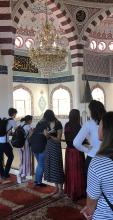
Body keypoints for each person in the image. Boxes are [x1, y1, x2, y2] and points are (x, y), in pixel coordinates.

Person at [81, 112, 113, 220]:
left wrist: (89, 211)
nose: (98, 127)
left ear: (106, 131)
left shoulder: (98, 163)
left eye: (100, 124)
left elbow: (92, 199)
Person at [73, 100, 106, 179]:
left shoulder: (89, 124)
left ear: (92, 112)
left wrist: (88, 150)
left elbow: (76, 143)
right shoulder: (109, 122)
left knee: (92, 187)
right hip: (108, 157)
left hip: (93, 157)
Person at [64, 109, 86, 201]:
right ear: (77, 116)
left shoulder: (67, 125)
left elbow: (67, 138)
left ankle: (70, 191)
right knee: (77, 171)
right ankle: (78, 192)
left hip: (69, 151)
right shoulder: (78, 126)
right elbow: (80, 140)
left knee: (70, 171)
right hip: (76, 151)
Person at [44, 109, 64, 198]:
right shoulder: (47, 124)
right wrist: (46, 135)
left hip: (56, 148)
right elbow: (46, 136)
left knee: (57, 167)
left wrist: (50, 135)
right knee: (51, 167)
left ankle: (61, 190)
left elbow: (59, 139)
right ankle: (56, 188)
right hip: (49, 147)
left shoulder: (58, 124)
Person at [30, 118, 48, 186]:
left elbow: (31, 137)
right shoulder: (44, 127)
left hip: (34, 148)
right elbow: (46, 135)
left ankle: (36, 180)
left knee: (39, 164)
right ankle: (39, 182)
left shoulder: (36, 128)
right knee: (41, 165)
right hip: (41, 148)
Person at [17, 115, 33, 184]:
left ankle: (21, 176)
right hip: (25, 144)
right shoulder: (28, 126)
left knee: (22, 160)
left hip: (19, 144)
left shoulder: (21, 124)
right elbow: (31, 134)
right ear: (29, 120)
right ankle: (20, 175)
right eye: (31, 120)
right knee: (25, 160)